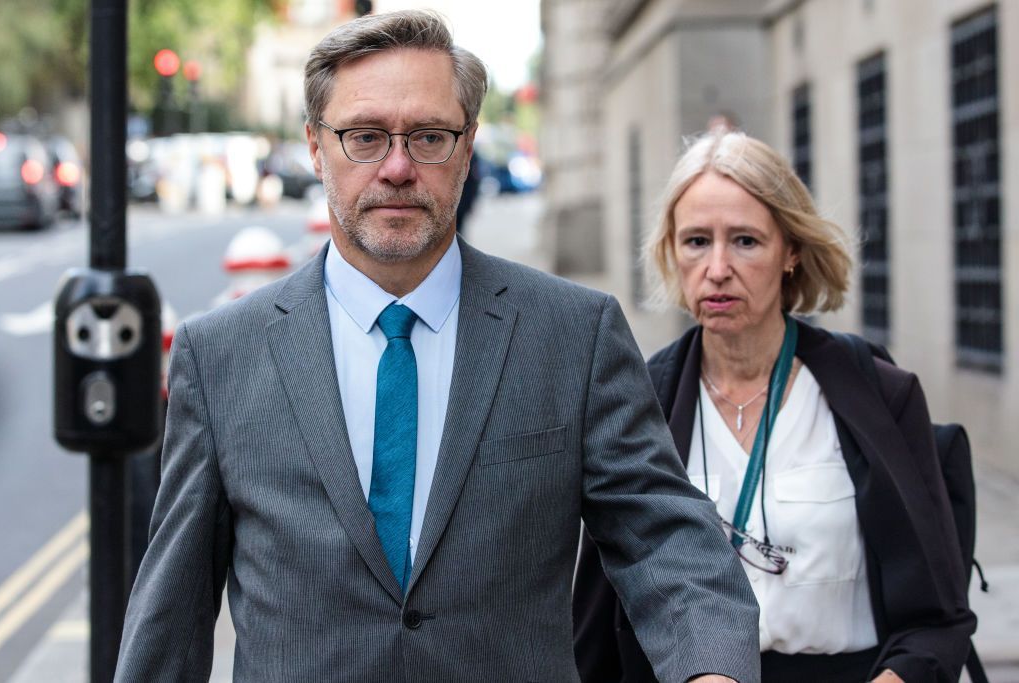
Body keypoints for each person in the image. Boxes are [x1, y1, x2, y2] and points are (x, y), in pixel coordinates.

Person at [115, 11, 760, 682]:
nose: (397, 167)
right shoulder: (219, 355)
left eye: (428, 136)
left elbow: (665, 537)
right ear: (315, 146)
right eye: (364, 137)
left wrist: (709, 668)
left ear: (469, 143)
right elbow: (174, 609)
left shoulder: (574, 333)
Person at [572, 130, 977, 683]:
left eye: (744, 241)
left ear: (791, 251)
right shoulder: (639, 402)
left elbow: (938, 619)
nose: (717, 268)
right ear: (671, 250)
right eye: (696, 241)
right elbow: (595, 625)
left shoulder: (880, 395)